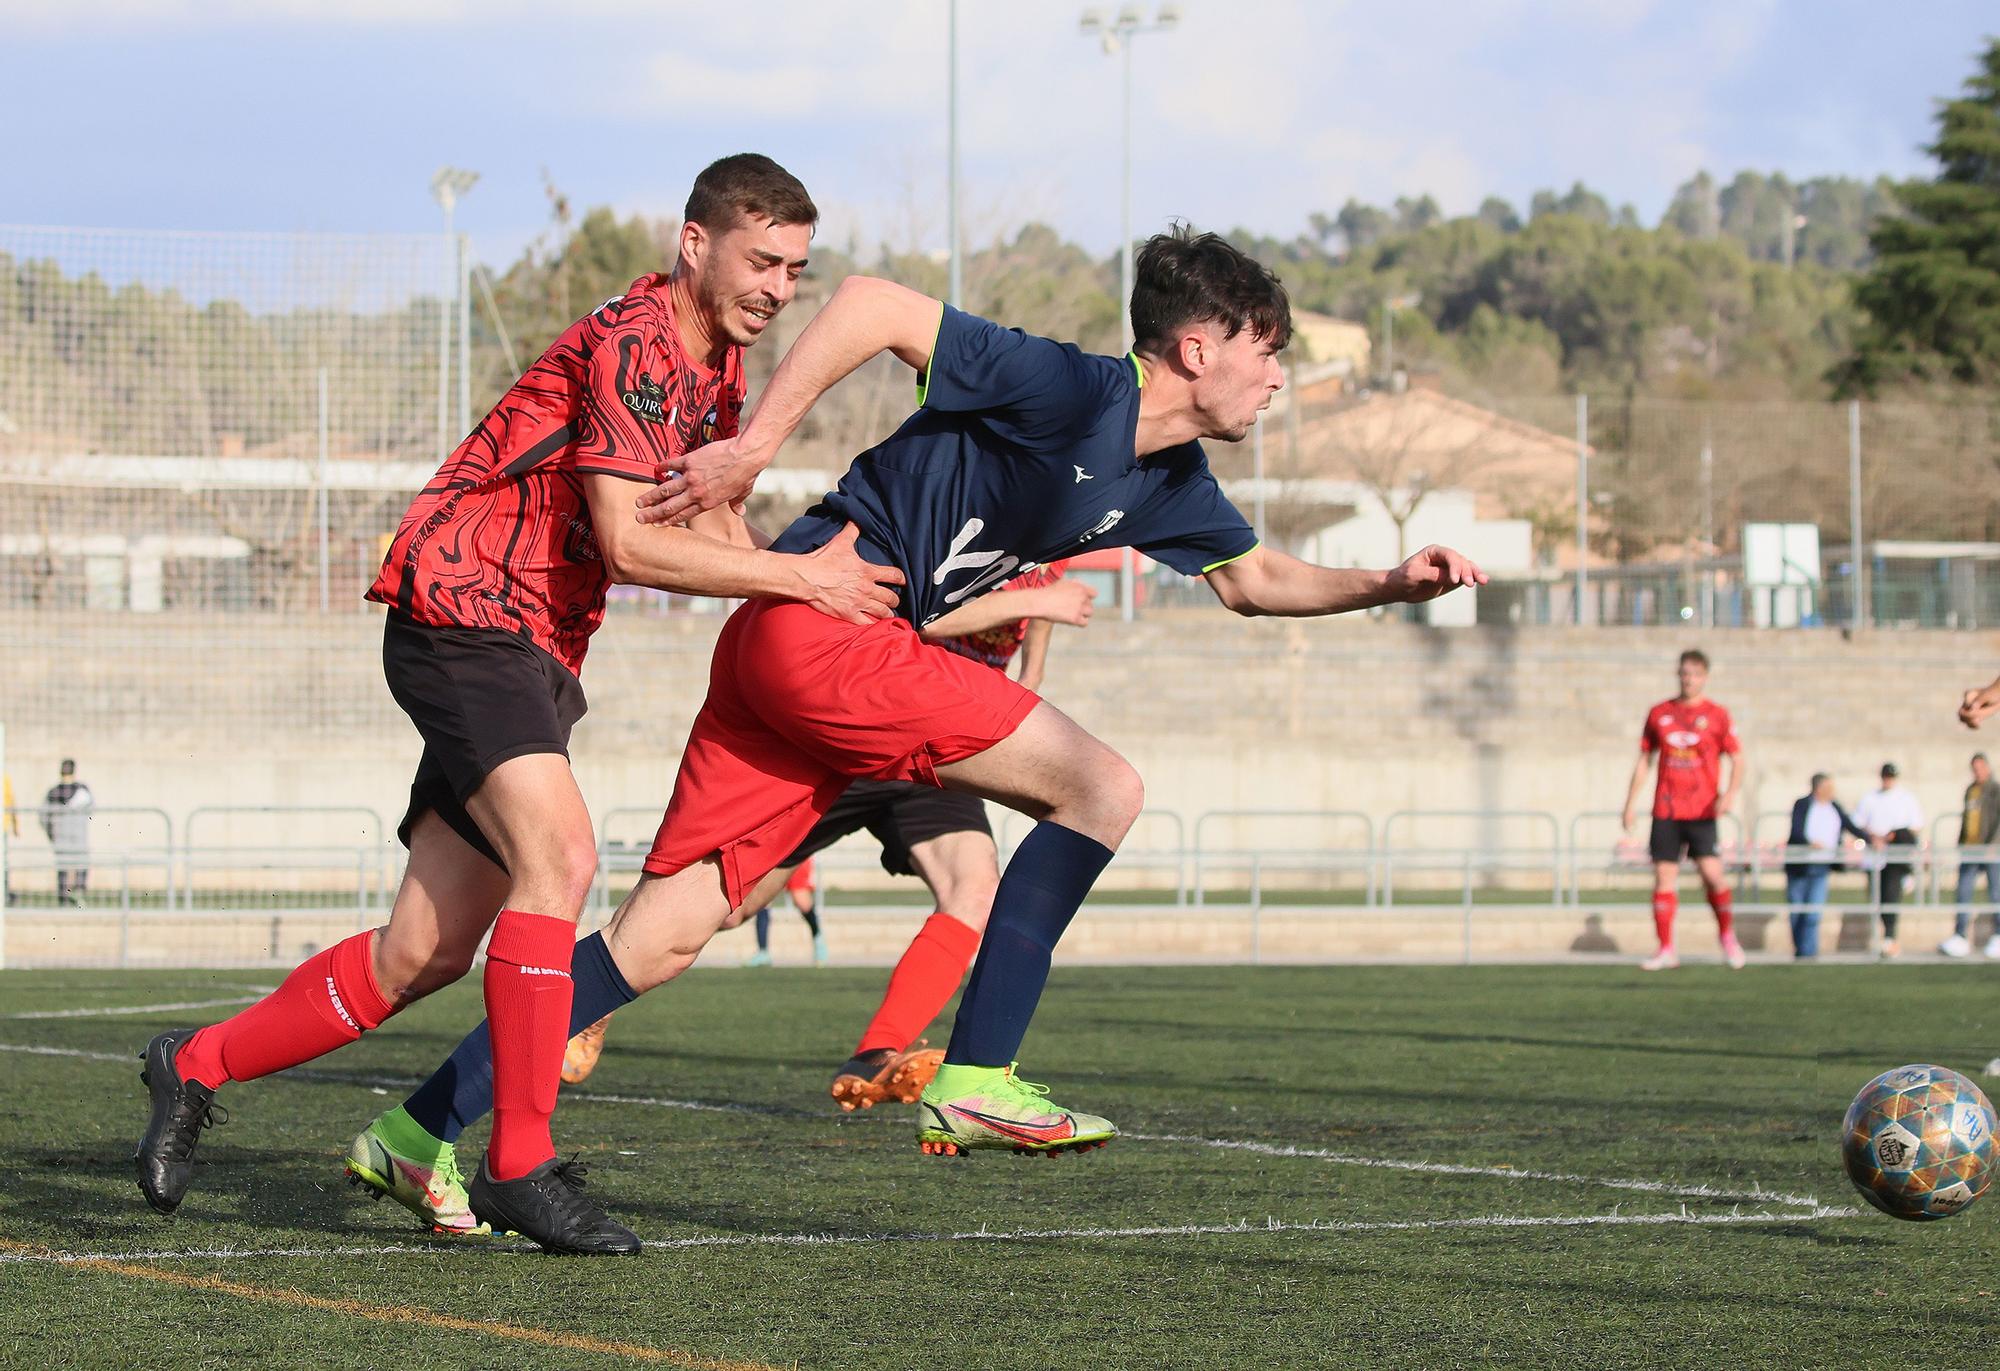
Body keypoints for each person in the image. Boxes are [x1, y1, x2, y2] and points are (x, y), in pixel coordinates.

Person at [335, 224, 1481, 1206]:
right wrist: (754, 448)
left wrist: (1390, 583)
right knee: (1103, 785)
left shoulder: (1171, 482)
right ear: (1197, 347)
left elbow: (1253, 581)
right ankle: (977, 1079)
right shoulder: (1074, 388)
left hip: (786, 652)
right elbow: (874, 305)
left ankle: (416, 1131)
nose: (1273, 377)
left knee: (657, 939)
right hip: (830, 623)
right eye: (1263, 350)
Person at [132, 154, 901, 1253]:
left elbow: (714, 523)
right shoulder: (638, 343)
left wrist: (812, 617)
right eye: (762, 259)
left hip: (532, 646)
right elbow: (636, 541)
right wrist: (806, 579)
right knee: (563, 861)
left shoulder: (717, 373)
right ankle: (519, 1163)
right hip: (466, 610)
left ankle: (192, 1064)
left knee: (423, 952)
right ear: (696, 244)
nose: (781, 287)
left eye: (795, 268)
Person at [552, 562, 1097, 1110]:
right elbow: (932, 618)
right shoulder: (979, 526)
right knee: (728, 907)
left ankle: (876, 1055)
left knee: (973, 889)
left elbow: (1036, 635)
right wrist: (1042, 604)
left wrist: (1027, 668)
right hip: (866, 724)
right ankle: (581, 1004)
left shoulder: (1055, 553)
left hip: (938, 743)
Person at [1620, 649, 1747, 971]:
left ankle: (1727, 936)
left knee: (1713, 875)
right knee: (1664, 877)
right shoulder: (1659, 713)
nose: (1688, 679)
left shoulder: (1717, 714)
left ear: (1705, 677)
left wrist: (1730, 793)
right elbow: (1644, 761)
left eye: (1694, 674)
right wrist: (1630, 804)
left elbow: (1738, 758)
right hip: (1667, 809)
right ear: (1678, 675)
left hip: (1702, 810)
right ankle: (1666, 948)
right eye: (1684, 673)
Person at [1783, 773, 1868, 959]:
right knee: (1797, 910)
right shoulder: (1803, 804)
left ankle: (1808, 952)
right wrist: (1809, 843)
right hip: (1800, 865)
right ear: (1819, 788)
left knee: (1813, 912)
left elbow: (1850, 826)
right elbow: (1797, 830)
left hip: (1821, 866)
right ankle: (1800, 949)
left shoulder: (1834, 806)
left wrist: (1870, 839)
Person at [1854, 762, 1925, 959]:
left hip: (1895, 858)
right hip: (1874, 857)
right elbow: (1858, 824)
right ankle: (1883, 937)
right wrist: (1874, 838)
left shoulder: (1905, 798)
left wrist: (1892, 837)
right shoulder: (1870, 798)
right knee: (1877, 898)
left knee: (1891, 896)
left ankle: (1890, 938)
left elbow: (1915, 826)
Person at [1942, 752, 2000, 958]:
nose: (1977, 772)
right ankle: (1960, 936)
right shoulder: (1970, 790)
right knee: (1963, 892)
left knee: (1996, 894)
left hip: (1990, 850)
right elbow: (1968, 819)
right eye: (1974, 769)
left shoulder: (1995, 789)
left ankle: (1998, 935)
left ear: (1988, 767)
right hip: (1970, 848)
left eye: (1980, 768)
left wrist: (1994, 844)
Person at [743, 859, 825, 968]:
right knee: (763, 900)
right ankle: (763, 952)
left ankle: (818, 939)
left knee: (801, 901)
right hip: (774, 855)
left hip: (797, 854)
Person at [40, 759, 92, 907]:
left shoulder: (53, 792)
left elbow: (43, 816)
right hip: (78, 836)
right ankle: (79, 895)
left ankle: (63, 899)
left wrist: (51, 833)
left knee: (63, 868)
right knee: (81, 866)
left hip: (60, 836)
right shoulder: (83, 791)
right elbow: (92, 808)